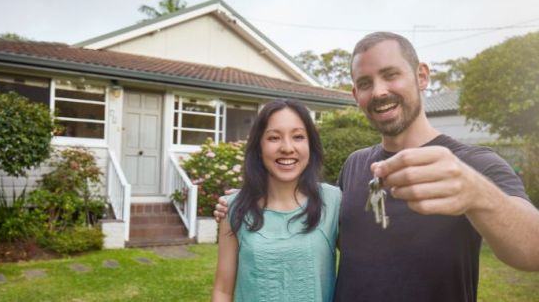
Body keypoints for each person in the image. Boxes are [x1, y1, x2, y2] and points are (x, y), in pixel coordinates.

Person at [216, 32, 539, 302]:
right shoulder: (356, 165)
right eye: (365, 82)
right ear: (356, 94)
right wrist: (248, 201)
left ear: (422, 75)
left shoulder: (474, 164)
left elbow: (532, 251)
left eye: (391, 74)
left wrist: (477, 193)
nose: (380, 91)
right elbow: (325, 227)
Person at [211, 99, 341, 302]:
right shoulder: (234, 208)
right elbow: (223, 291)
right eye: (274, 138)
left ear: (310, 145)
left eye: (298, 137)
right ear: (259, 147)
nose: (287, 148)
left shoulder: (333, 201)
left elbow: (365, 266)